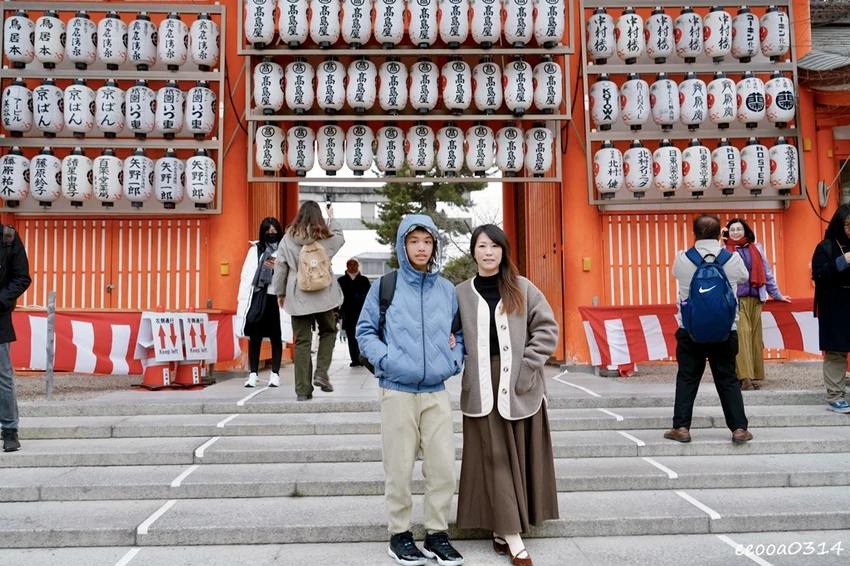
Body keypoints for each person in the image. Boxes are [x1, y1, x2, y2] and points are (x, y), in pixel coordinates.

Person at [356, 215, 465, 566]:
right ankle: (399, 535)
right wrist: (386, 360)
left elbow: (458, 334)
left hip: (436, 391)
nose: (421, 247)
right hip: (397, 390)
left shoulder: (447, 289)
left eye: (427, 241)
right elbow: (365, 331)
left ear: (435, 246)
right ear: (403, 245)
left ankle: (436, 535)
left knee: (442, 467)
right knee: (399, 468)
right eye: (414, 240)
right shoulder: (385, 286)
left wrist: (452, 360)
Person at [455, 224, 559, 566]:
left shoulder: (523, 288)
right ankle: (513, 537)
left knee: (514, 457)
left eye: (494, 246)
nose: (488, 252)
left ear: (504, 251)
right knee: (495, 459)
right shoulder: (460, 293)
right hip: (481, 388)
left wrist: (528, 368)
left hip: (519, 386)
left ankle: (503, 530)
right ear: (473, 251)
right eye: (482, 246)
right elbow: (449, 332)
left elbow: (546, 329)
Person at [665, 214, 753, 444]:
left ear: (694, 233)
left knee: (687, 377)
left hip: (690, 329)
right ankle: (739, 429)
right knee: (727, 378)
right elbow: (744, 277)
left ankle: (682, 427)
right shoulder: (731, 259)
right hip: (725, 330)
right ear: (719, 234)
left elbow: (676, 274)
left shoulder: (683, 258)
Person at [274, 201, 345, 401]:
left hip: (298, 295)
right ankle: (321, 373)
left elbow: (280, 267)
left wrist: (281, 294)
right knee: (329, 331)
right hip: (324, 294)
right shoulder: (326, 237)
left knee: (302, 342)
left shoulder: (287, 239)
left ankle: (303, 391)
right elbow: (340, 238)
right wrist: (333, 217)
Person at [723, 218, 791, 390]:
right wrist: (719, 242)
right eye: (732, 230)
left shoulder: (756, 248)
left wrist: (777, 294)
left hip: (756, 299)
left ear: (746, 231)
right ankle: (743, 377)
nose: (736, 232)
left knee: (754, 337)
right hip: (737, 301)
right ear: (727, 232)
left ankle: (753, 375)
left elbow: (767, 273)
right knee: (743, 334)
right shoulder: (724, 250)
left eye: (739, 229)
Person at [235, 217, 287, 388]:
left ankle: (275, 373)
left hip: (277, 297)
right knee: (255, 336)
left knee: (276, 336)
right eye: (268, 231)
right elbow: (247, 274)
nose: (271, 234)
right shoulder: (255, 250)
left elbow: (286, 269)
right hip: (258, 296)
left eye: (274, 231)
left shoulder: (284, 249)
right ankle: (253, 374)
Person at [811, 204, 850, 413]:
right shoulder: (826, 246)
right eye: (847, 225)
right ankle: (835, 396)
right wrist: (842, 261)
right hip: (835, 307)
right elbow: (818, 274)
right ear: (838, 224)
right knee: (836, 351)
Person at [0, 224, 32, 452]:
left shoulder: (8, 237)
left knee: (3, 377)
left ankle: (10, 430)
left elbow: (22, 277)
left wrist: (1, 300)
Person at [338, 258, 371, 366]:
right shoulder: (341, 281)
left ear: (358, 266)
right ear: (347, 267)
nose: (352, 267)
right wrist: (337, 311)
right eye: (350, 265)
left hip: (362, 313)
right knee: (351, 338)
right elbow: (337, 297)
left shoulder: (364, 280)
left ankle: (362, 359)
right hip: (347, 313)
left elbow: (369, 297)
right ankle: (354, 359)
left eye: (354, 264)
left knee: (362, 337)